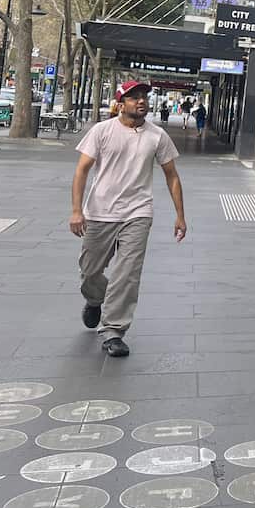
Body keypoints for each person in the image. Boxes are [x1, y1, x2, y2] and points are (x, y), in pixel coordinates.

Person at [71, 80, 185, 358]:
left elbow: (171, 175)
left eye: (144, 97)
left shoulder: (157, 136)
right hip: (100, 213)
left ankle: (113, 330)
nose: (141, 101)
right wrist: (77, 210)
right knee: (90, 271)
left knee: (127, 273)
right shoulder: (101, 131)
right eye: (134, 98)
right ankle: (96, 299)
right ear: (120, 104)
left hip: (138, 212)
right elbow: (82, 171)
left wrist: (180, 216)